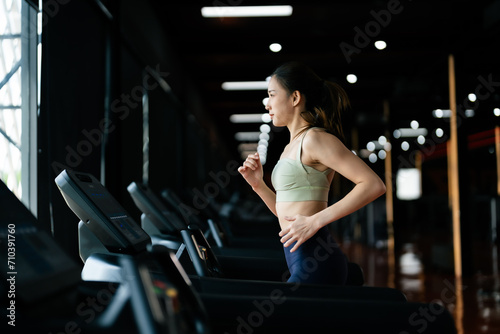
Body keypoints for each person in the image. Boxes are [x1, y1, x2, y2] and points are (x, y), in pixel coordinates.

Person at [238, 61, 386, 285]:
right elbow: (286, 215)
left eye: (272, 94)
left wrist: (315, 221)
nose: (267, 104)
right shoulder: (291, 146)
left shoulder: (315, 139)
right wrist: (258, 185)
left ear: (295, 98)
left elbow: (373, 184)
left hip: (316, 260)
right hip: (298, 257)